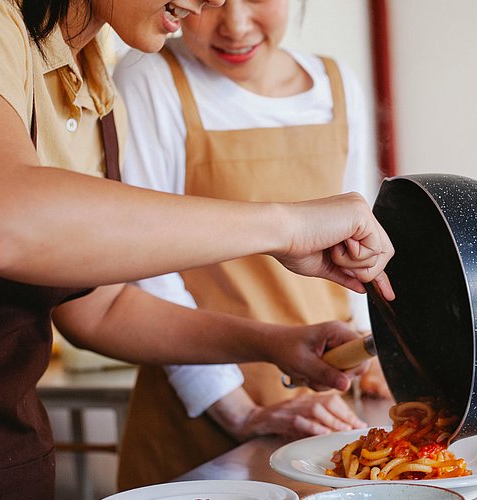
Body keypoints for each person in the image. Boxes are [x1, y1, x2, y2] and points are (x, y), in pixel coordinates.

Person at [0, 0, 395, 497]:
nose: (215, 3)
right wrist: (283, 225)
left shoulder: (89, 83)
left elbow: (100, 306)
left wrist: (274, 344)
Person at [111, 0, 391, 488]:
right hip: (200, 411)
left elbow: (357, 239)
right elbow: (145, 267)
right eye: (211, 1)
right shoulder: (149, 77)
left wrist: (373, 355)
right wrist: (240, 412)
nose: (236, 26)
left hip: (326, 399)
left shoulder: (336, 84)